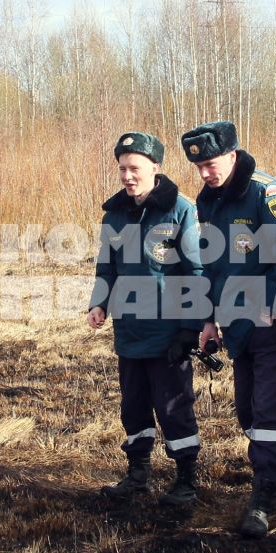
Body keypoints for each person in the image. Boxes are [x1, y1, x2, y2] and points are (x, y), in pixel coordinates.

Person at [184, 120, 276, 538]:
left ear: (233, 155)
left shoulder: (265, 192)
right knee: (248, 412)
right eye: (198, 166)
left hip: (270, 323)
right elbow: (211, 264)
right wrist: (207, 319)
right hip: (234, 325)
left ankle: (262, 494)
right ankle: (273, 485)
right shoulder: (208, 200)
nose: (205, 173)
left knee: (271, 409)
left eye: (211, 164)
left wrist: (274, 304)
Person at [88, 132, 205, 506]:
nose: (127, 176)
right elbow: (106, 268)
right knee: (133, 405)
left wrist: (191, 327)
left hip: (169, 334)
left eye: (134, 168)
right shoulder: (114, 214)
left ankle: (186, 478)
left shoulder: (180, 211)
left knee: (173, 406)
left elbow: (196, 272)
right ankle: (138, 474)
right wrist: (99, 304)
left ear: (155, 167)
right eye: (122, 168)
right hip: (130, 331)